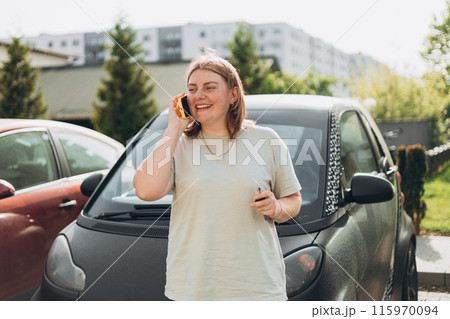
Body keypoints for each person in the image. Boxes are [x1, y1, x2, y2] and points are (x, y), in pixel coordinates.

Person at [133, 49, 302, 301]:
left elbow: (294, 201)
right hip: (194, 287)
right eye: (192, 89)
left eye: (210, 87)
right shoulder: (176, 145)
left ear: (233, 94)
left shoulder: (266, 140)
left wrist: (276, 207)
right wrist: (174, 128)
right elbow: (146, 191)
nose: (199, 95)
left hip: (258, 287)